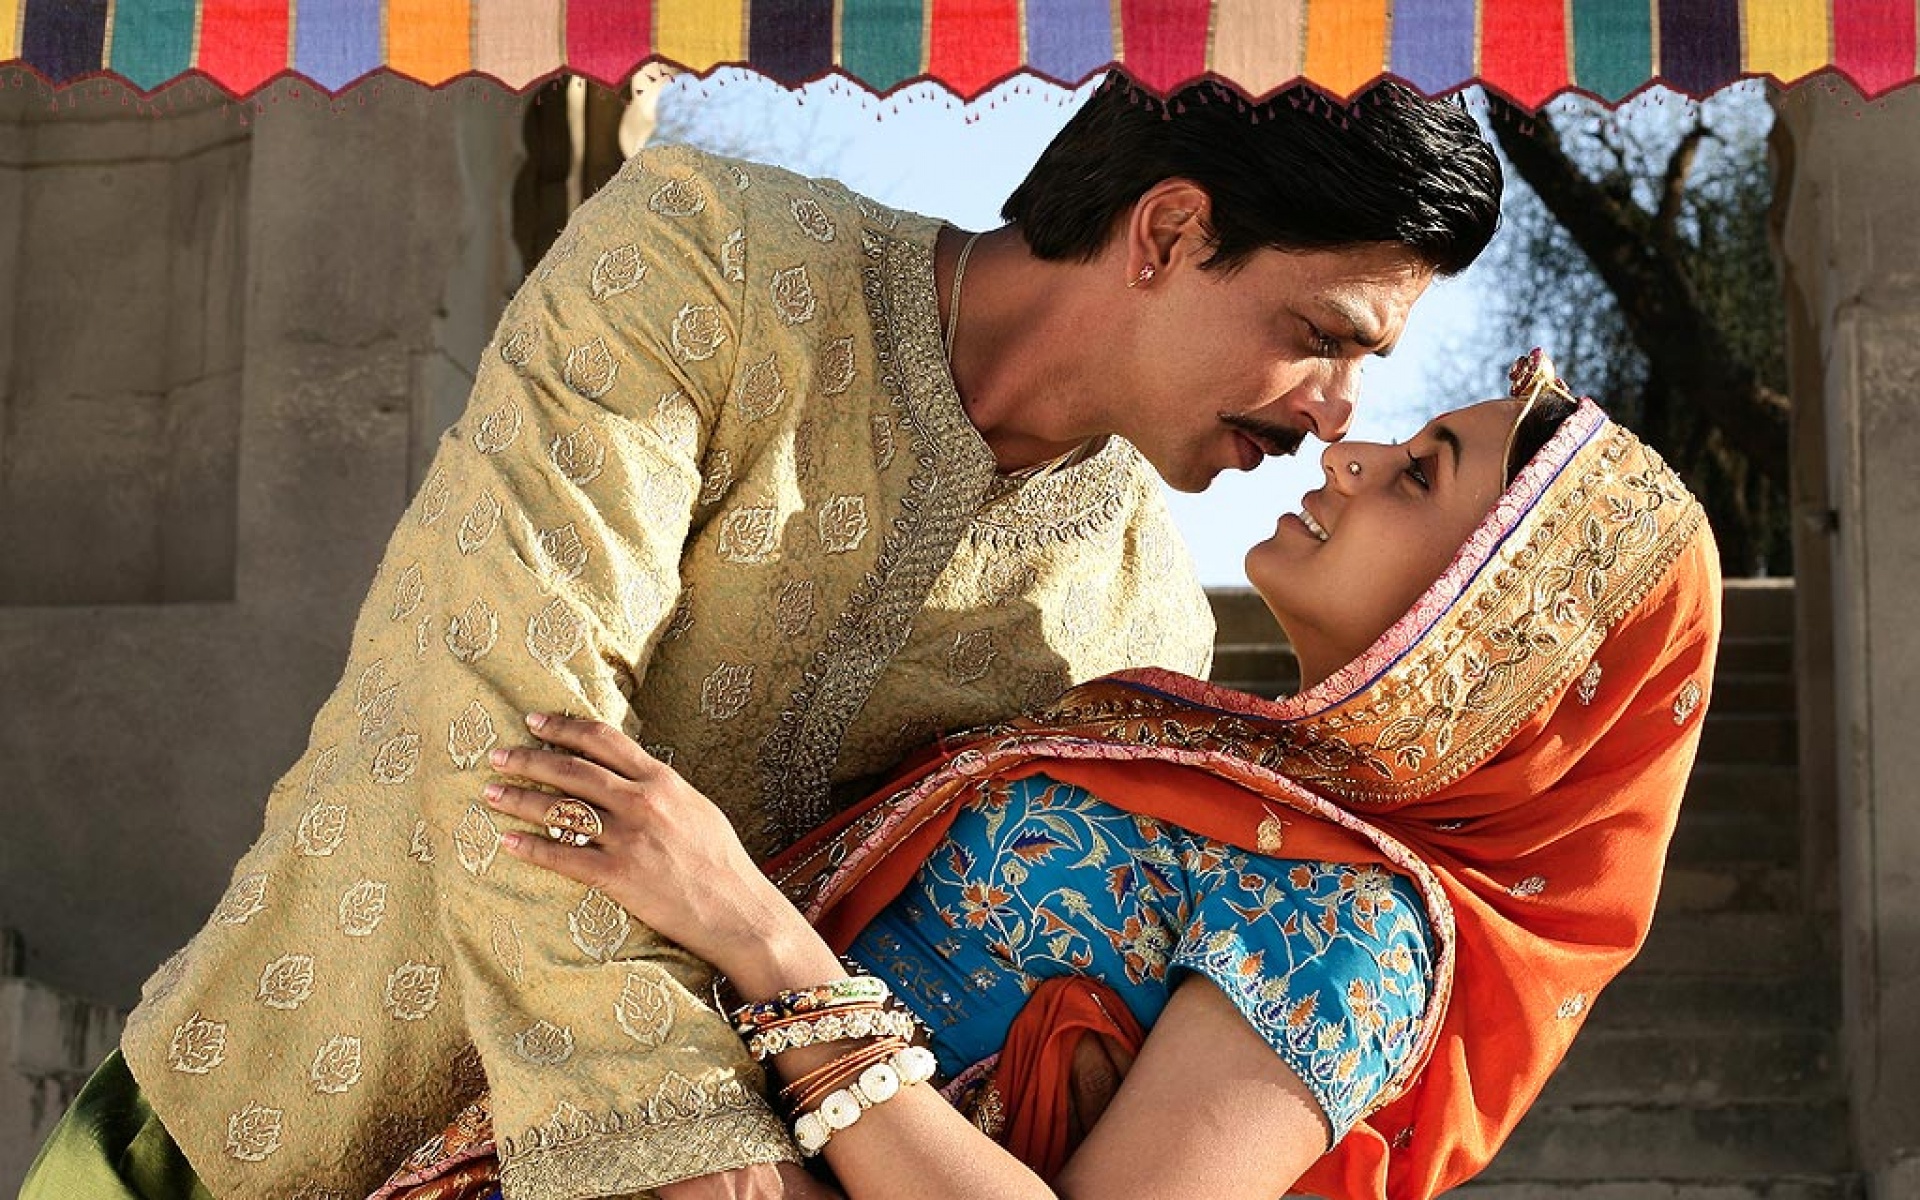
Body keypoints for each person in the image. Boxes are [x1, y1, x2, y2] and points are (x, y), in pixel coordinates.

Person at [22, 75, 1503, 1200]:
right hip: (259, 1116)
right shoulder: (709, 261)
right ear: (1169, 232)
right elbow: (502, 712)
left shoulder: (1141, 616)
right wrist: (697, 1143)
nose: (1338, 415)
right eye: (1324, 336)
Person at [354, 351, 1722, 1200]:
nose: (1353, 453)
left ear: (1497, 638)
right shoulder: (1195, 743)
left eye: (1419, 475)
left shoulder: (1354, 926)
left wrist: (756, 936)